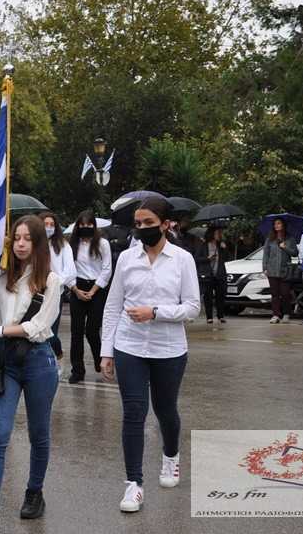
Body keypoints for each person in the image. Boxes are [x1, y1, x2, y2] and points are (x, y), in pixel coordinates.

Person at [100, 197, 201, 513]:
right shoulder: (127, 259)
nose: (142, 228)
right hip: (129, 346)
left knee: (165, 409)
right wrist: (107, 351)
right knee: (133, 412)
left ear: (166, 224)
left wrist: (155, 312)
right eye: (138, 223)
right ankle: (134, 484)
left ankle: (171, 458)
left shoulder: (182, 259)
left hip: (169, 349)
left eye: (148, 222)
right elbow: (113, 305)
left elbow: (193, 308)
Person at [0, 215, 61, 531]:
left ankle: (35, 492)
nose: (20, 244)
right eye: (16, 238)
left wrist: (0, 329)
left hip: (38, 363)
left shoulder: (51, 280)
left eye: (27, 239)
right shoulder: (0, 278)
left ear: (37, 244)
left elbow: (39, 327)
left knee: (39, 433)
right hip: (5, 363)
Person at [67, 210, 112, 384]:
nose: (85, 228)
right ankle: (77, 370)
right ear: (78, 226)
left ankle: (100, 360)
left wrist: (93, 291)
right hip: (76, 286)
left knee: (92, 330)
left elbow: (107, 269)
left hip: (97, 288)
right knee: (76, 332)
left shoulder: (102, 243)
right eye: (82, 225)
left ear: (94, 225)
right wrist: (76, 289)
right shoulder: (71, 245)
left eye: (89, 225)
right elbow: (67, 268)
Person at [41, 212, 75, 365]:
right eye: (45, 224)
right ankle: (43, 363)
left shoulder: (63, 245)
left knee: (50, 333)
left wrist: (55, 283)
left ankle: (58, 356)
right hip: (36, 292)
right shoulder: (34, 243)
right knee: (37, 330)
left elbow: (70, 271)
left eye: (51, 225)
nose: (48, 228)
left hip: (55, 293)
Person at [263, 219, 298, 324]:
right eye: (275, 224)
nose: (276, 226)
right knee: (274, 294)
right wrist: (265, 268)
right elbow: (266, 254)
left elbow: (295, 253)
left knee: (285, 294)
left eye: (279, 223)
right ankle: (276, 315)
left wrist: (285, 247)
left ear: (283, 225)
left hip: (285, 271)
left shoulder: (290, 239)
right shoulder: (270, 239)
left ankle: (286, 314)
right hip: (272, 270)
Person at [195, 227, 228, 324]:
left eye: (219, 233)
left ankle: (220, 316)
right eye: (217, 233)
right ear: (212, 234)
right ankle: (209, 317)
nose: (219, 235)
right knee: (208, 296)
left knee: (220, 296)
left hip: (219, 274)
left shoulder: (220, 245)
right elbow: (196, 259)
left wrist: (224, 248)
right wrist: (207, 258)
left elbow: (227, 258)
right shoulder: (203, 246)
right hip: (207, 274)